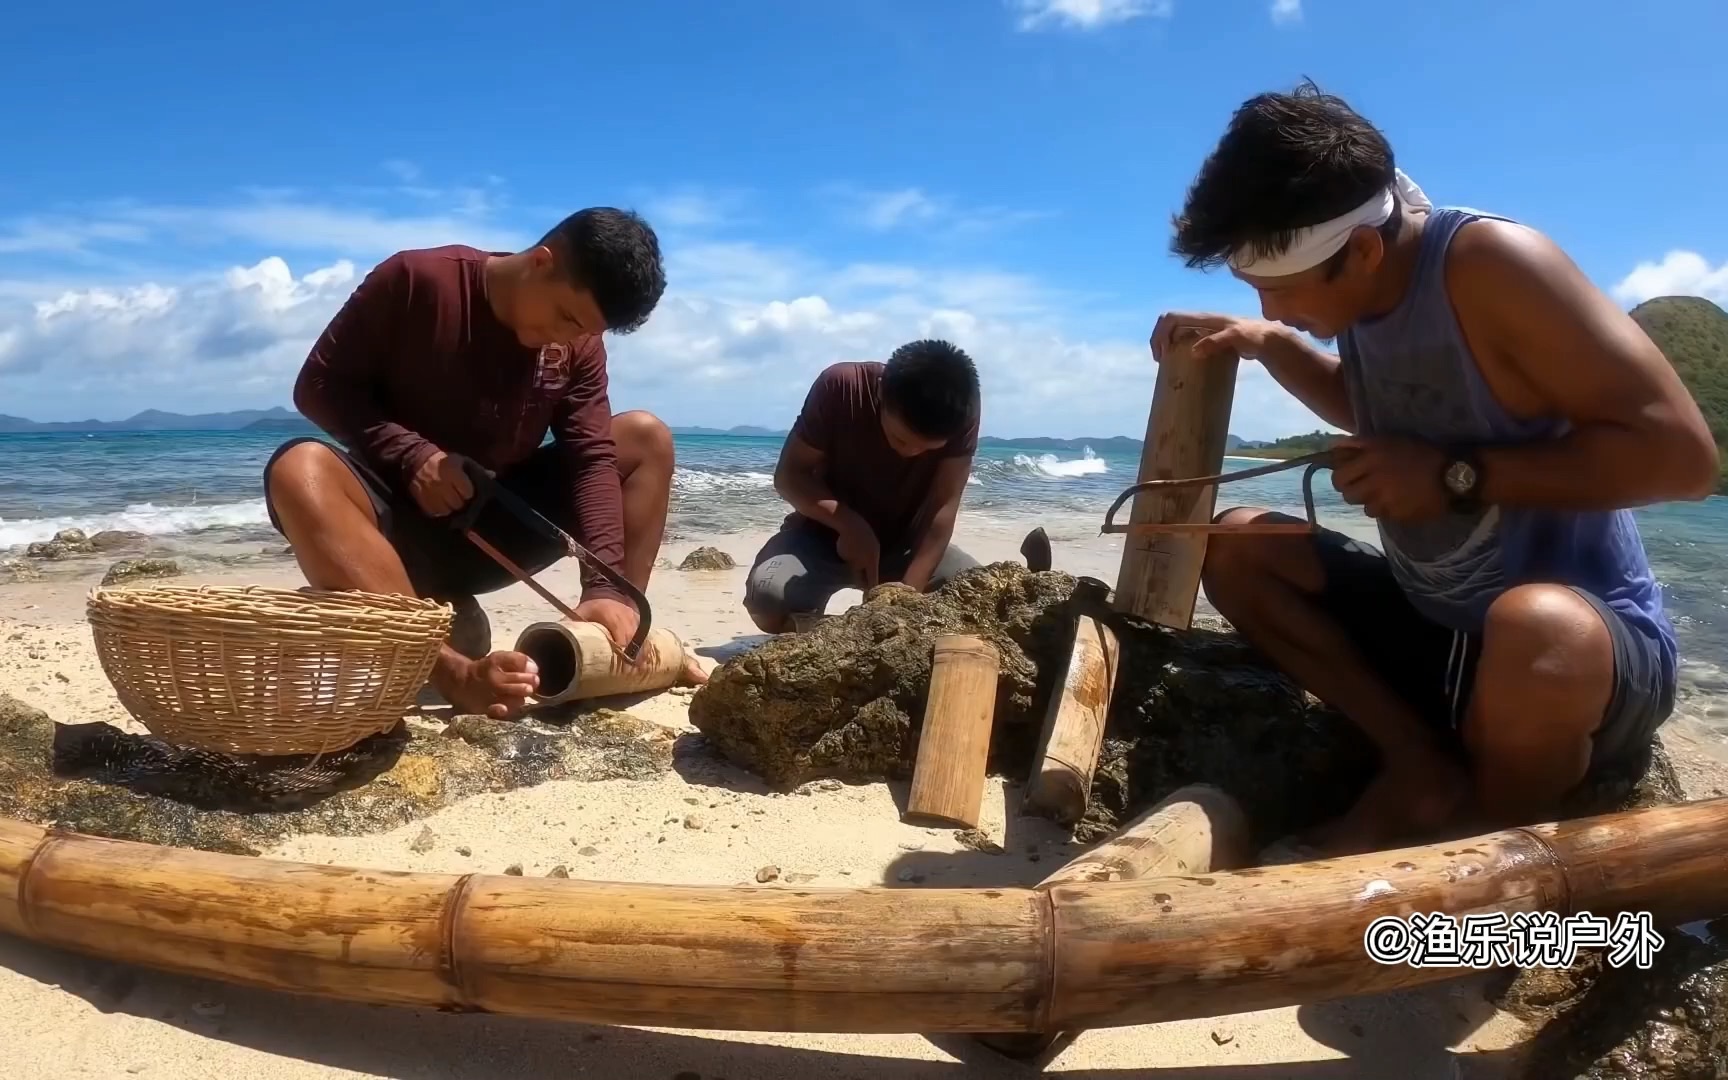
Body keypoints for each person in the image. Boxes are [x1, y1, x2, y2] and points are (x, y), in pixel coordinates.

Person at [1154, 82, 1717, 856]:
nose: (1276, 308)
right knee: (1239, 543)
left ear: (1361, 250)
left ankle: (1487, 842)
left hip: (1577, 657)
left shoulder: (1491, 264)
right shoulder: (1361, 290)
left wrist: (1456, 476)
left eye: (1279, 292)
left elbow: (1682, 461)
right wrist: (1265, 341)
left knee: (1535, 629)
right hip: (1443, 632)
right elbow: (1384, 404)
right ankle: (1420, 768)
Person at [264, 207, 700, 720]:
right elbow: (317, 385)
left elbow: (592, 458)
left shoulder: (579, 343)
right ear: (541, 263)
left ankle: (616, 627)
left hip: (484, 529)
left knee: (645, 437)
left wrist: (606, 584)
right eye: (566, 317)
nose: (568, 339)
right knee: (298, 468)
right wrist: (412, 455)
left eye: (585, 330)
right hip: (386, 533)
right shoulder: (416, 280)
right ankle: (450, 668)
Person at [745, 339, 984, 633]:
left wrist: (904, 600)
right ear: (882, 390)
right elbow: (789, 476)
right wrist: (850, 525)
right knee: (768, 602)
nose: (911, 453)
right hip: (819, 536)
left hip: (906, 546)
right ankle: (827, 632)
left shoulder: (962, 410)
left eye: (928, 449)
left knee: (980, 599)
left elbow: (943, 508)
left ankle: (860, 630)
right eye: (901, 439)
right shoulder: (841, 386)